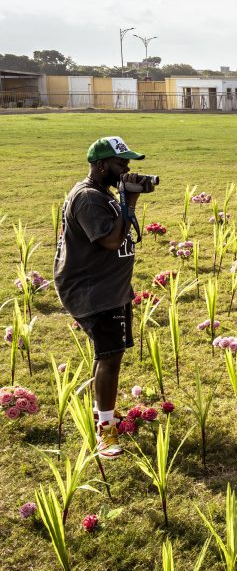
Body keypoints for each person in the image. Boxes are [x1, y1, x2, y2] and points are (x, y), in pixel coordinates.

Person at [53, 136, 155, 458]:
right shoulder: (87, 198)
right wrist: (131, 201)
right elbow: (111, 241)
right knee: (110, 359)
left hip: (110, 288)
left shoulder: (104, 194)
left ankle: (102, 411)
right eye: (120, 163)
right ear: (100, 165)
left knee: (108, 354)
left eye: (128, 162)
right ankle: (106, 433)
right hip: (93, 291)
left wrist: (126, 196)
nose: (127, 168)